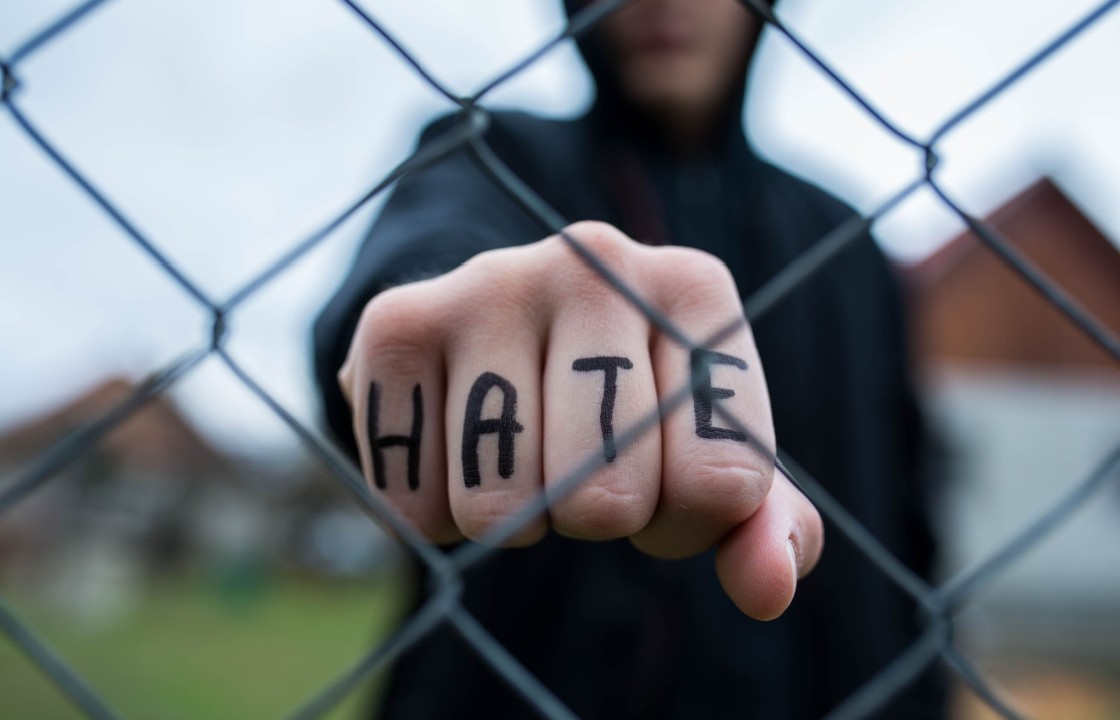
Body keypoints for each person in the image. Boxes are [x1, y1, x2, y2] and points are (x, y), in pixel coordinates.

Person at [314, 0, 943, 717]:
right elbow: (420, 255)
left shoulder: (845, 244)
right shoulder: (490, 154)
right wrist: (445, 312)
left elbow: (910, 515)